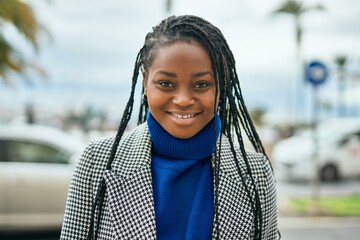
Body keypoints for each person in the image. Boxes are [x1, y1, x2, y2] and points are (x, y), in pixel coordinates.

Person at [60, 15, 279, 240]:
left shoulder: (255, 173)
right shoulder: (99, 160)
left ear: (222, 87)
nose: (183, 99)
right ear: (145, 83)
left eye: (201, 84)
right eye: (166, 83)